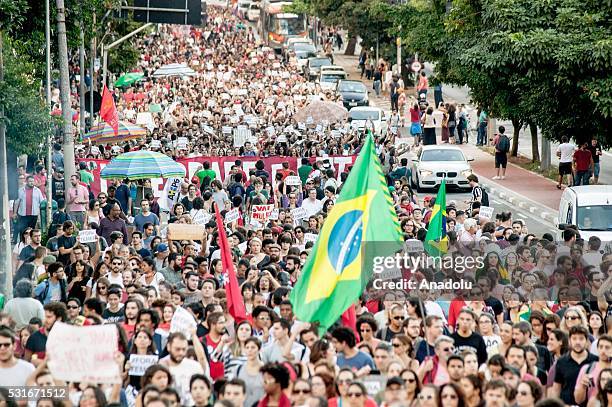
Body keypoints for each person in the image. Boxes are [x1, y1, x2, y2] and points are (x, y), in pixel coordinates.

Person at [13, 175, 44, 240]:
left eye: (32, 181)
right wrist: (15, 213)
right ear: (26, 181)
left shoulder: (37, 190)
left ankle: (30, 243)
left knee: (31, 231)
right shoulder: (21, 190)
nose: (31, 183)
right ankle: (22, 243)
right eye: (30, 181)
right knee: (23, 230)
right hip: (23, 214)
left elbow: (42, 202)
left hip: (34, 214)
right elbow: (16, 202)